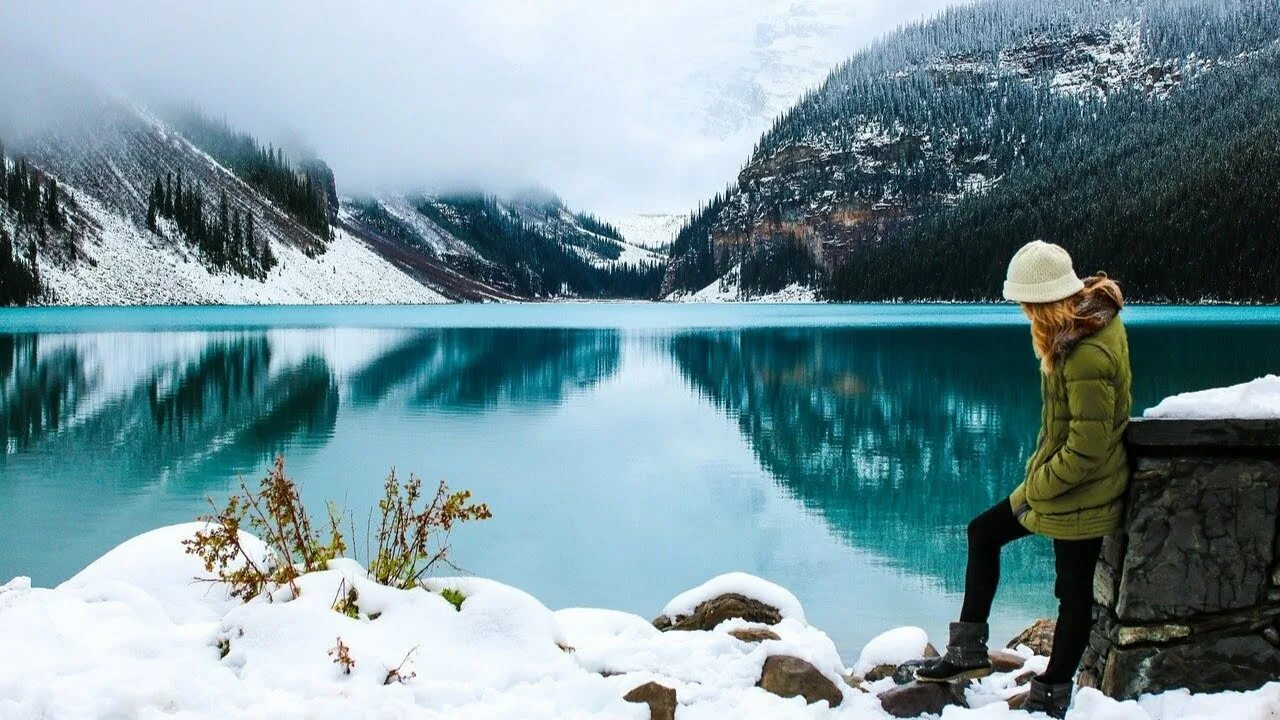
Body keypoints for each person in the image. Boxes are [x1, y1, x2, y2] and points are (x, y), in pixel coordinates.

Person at [915, 241, 1132, 718]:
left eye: (1026, 302)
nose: (1021, 311)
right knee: (983, 531)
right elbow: (1066, 427)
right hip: (1059, 484)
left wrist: (1038, 487)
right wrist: (1038, 479)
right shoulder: (1076, 330)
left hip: (1083, 492)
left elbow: (1088, 447)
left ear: (1046, 299)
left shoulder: (1086, 353)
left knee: (1072, 594)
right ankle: (968, 651)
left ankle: (1052, 693)